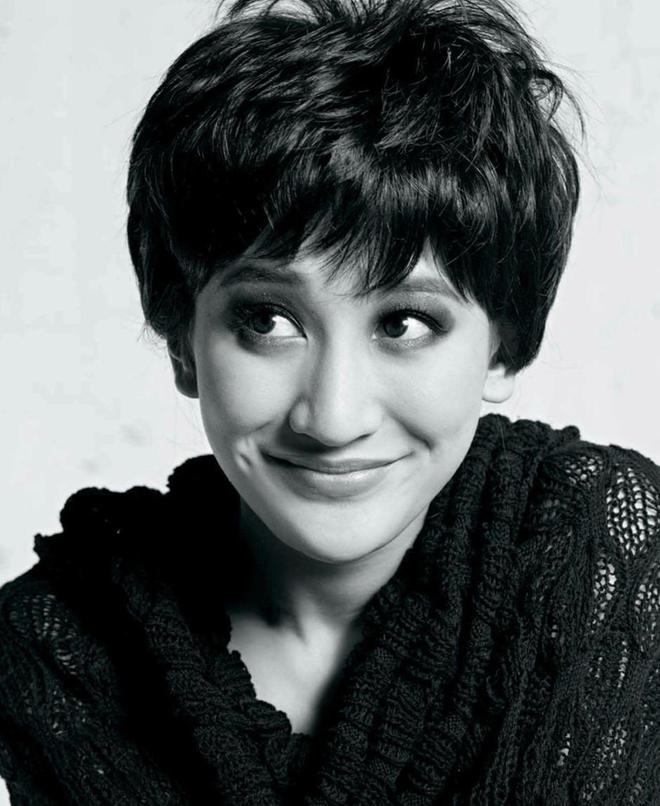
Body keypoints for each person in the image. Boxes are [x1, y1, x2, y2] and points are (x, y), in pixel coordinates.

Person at [0, 0, 658, 802]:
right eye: (267, 321)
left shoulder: (604, 561)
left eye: (405, 323)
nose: (334, 416)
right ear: (182, 342)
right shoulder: (59, 650)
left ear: (502, 344)